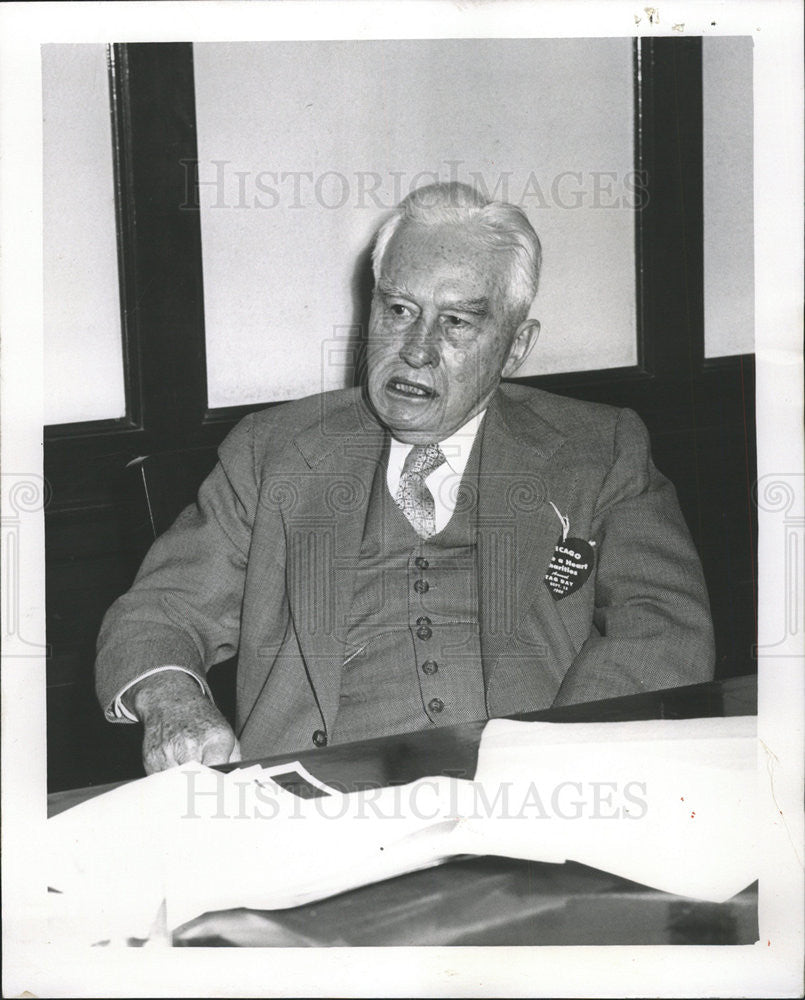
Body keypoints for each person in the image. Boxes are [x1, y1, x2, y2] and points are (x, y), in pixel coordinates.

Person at [95, 182, 715, 774]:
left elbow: (663, 625)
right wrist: (174, 702)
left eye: (457, 323)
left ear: (517, 346)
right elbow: (161, 611)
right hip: (315, 804)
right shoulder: (273, 452)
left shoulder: (599, 449)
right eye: (398, 309)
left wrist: (553, 761)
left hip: (533, 792)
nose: (416, 349)